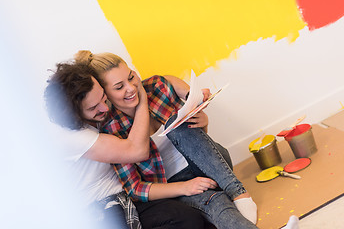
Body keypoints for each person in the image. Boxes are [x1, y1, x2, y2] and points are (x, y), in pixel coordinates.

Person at [74, 50, 259, 229]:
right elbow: (135, 188)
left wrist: (203, 122)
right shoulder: (111, 129)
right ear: (105, 94)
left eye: (131, 77)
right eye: (119, 87)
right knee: (216, 203)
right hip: (173, 187)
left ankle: (238, 192)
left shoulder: (156, 87)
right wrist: (185, 187)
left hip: (209, 165)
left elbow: (197, 141)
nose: (130, 88)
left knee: (176, 124)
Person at [44, 62, 207, 229]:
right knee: (186, 219)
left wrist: (189, 94)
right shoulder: (76, 137)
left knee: (192, 218)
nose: (104, 107)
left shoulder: (96, 111)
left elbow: (159, 81)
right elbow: (138, 151)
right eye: (93, 107)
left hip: (127, 196)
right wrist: (142, 101)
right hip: (100, 208)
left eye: (102, 96)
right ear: (75, 114)